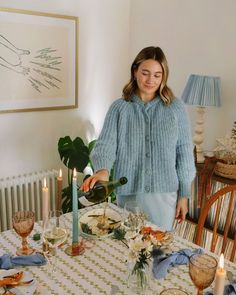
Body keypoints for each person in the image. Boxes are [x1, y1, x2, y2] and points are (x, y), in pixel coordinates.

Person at [81, 46, 196, 230]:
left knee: (158, 250)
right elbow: (106, 144)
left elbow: (184, 152)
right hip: (128, 193)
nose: (151, 80)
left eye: (157, 75)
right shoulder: (119, 108)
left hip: (163, 195)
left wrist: (184, 194)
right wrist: (103, 170)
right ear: (135, 71)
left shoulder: (176, 108)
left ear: (163, 77)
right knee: (128, 249)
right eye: (145, 73)